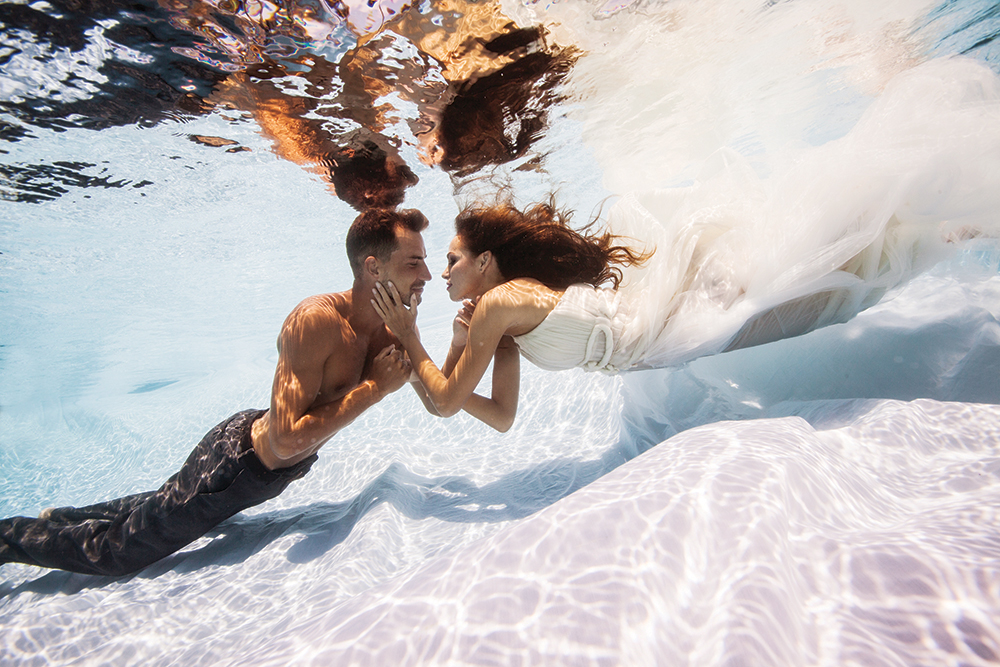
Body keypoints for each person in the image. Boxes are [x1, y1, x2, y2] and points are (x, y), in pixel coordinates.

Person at [0, 208, 432, 577]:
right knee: (118, 554)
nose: (427, 275)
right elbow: (285, 439)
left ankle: (61, 519)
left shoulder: (388, 329)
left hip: (265, 471)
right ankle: (9, 537)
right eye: (414, 263)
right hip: (235, 466)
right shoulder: (314, 320)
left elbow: (441, 397)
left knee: (163, 505)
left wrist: (468, 335)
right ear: (373, 268)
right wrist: (375, 389)